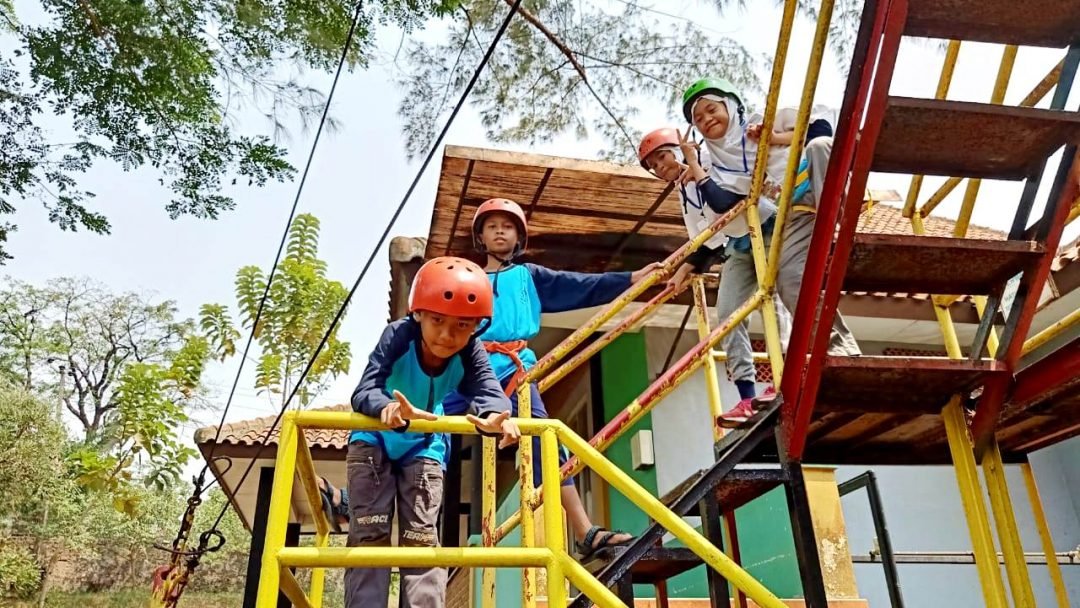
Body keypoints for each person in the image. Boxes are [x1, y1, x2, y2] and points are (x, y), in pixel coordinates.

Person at [443, 197, 662, 558]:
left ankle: (584, 531)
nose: (500, 230)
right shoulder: (465, 275)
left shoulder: (529, 276)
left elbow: (580, 285)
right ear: (480, 236)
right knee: (424, 418)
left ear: (518, 238)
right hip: (469, 363)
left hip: (516, 367)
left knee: (545, 440)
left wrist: (632, 278)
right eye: (492, 225)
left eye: (508, 226)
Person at [680, 77, 861, 426]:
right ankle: (826, 355)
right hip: (772, 225)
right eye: (698, 119)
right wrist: (695, 167)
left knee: (821, 144)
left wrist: (773, 139)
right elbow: (720, 202)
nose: (706, 120)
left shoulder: (764, 123)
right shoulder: (713, 165)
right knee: (785, 287)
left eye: (711, 109)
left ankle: (833, 224)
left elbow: (821, 125)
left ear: (730, 107)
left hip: (808, 200)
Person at [345, 256, 520, 608]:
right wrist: (386, 408)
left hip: (425, 444)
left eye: (461, 325)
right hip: (374, 440)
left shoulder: (470, 350)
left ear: (476, 327)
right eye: (437, 320)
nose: (447, 335)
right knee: (370, 534)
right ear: (419, 314)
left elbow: (489, 390)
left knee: (421, 539)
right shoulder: (399, 335)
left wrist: (498, 415)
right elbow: (365, 389)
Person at [638, 126, 792, 424]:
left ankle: (785, 377)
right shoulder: (682, 190)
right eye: (654, 166)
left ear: (680, 148)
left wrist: (695, 166)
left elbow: (724, 202)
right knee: (728, 315)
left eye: (663, 156)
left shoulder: (710, 160)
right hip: (738, 243)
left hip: (765, 228)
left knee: (773, 304)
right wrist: (681, 271)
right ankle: (747, 397)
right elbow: (707, 240)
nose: (661, 167)